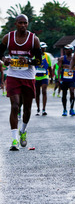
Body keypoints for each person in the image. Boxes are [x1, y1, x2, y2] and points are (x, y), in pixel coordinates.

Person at [0, 14, 42, 150]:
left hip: (28, 76)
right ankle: (14, 140)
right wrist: (4, 59)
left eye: (25, 23)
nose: (23, 25)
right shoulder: (8, 38)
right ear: (16, 24)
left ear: (28, 24)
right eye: (20, 23)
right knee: (15, 106)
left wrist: (28, 61)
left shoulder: (33, 40)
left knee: (28, 108)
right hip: (13, 75)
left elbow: (39, 61)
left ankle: (23, 130)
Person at [34, 42, 53, 116]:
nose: (43, 49)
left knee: (44, 91)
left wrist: (51, 78)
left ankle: (44, 109)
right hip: (36, 77)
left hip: (45, 76)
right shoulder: (35, 56)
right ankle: (38, 108)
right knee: (37, 93)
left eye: (44, 48)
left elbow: (49, 67)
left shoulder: (47, 56)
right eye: (42, 48)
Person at [57, 44, 75, 116]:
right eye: (65, 49)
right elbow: (59, 68)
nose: (66, 51)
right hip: (64, 79)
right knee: (64, 94)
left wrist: (71, 68)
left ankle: (72, 108)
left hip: (72, 79)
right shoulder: (62, 58)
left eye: (68, 49)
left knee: (72, 92)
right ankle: (64, 109)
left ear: (71, 50)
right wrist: (58, 77)